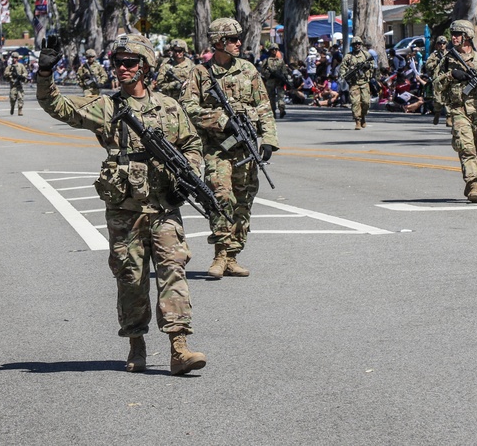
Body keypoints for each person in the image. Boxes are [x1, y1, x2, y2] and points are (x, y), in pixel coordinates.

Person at [36, 33, 207, 376]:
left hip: (164, 207)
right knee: (131, 278)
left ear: (145, 67)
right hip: (125, 210)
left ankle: (179, 347)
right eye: (118, 63)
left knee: (173, 270)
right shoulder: (108, 107)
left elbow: (191, 145)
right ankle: (136, 341)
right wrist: (45, 73)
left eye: (130, 63)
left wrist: (188, 178)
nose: (122, 68)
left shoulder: (169, 107)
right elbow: (58, 107)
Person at [181, 18, 278, 279]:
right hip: (216, 148)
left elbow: (264, 107)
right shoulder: (199, 73)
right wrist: (221, 120)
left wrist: (268, 139)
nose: (239, 43)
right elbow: (187, 108)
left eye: (238, 38)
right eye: (233, 39)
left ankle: (233, 256)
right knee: (220, 197)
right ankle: (221, 254)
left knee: (243, 202)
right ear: (219, 43)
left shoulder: (248, 70)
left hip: (246, 148)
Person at [433, 20, 477, 204]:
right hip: (458, 110)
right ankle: (473, 183)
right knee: (466, 148)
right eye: (453, 34)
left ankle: (472, 175)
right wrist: (451, 75)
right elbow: (436, 84)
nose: (454, 37)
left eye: (458, 34)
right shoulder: (448, 60)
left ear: (467, 37)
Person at [337, 36, 378, 130]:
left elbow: (373, 65)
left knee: (366, 102)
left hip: (364, 82)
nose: (357, 46)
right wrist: (346, 76)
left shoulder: (366, 55)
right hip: (354, 83)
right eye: (355, 44)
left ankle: (363, 116)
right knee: (355, 102)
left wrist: (368, 66)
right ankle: (357, 121)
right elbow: (342, 68)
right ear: (352, 45)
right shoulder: (348, 57)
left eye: (359, 44)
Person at [259, 41, 289, 118]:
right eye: (273, 49)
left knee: (281, 95)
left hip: (279, 80)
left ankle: (282, 109)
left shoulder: (280, 60)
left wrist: (285, 79)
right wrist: (268, 75)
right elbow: (262, 70)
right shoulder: (266, 60)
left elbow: (284, 71)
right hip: (270, 80)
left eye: (276, 49)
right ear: (270, 50)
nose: (274, 51)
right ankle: (273, 111)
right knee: (271, 96)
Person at [425, 35, 450, 125]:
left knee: (449, 99)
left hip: (448, 79)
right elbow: (428, 65)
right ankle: (437, 113)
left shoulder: (450, 54)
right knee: (438, 100)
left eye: (443, 43)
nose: (442, 45)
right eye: (440, 43)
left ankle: (449, 117)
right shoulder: (434, 55)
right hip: (438, 80)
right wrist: (436, 62)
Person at [4, 52, 28, 116]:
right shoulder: (10, 67)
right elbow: (5, 73)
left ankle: (20, 110)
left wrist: (21, 76)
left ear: (17, 58)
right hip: (13, 85)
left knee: (20, 98)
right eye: (13, 58)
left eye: (15, 58)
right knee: (12, 98)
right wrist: (11, 74)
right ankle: (12, 107)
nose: (14, 59)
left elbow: (25, 73)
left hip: (19, 84)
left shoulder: (21, 65)